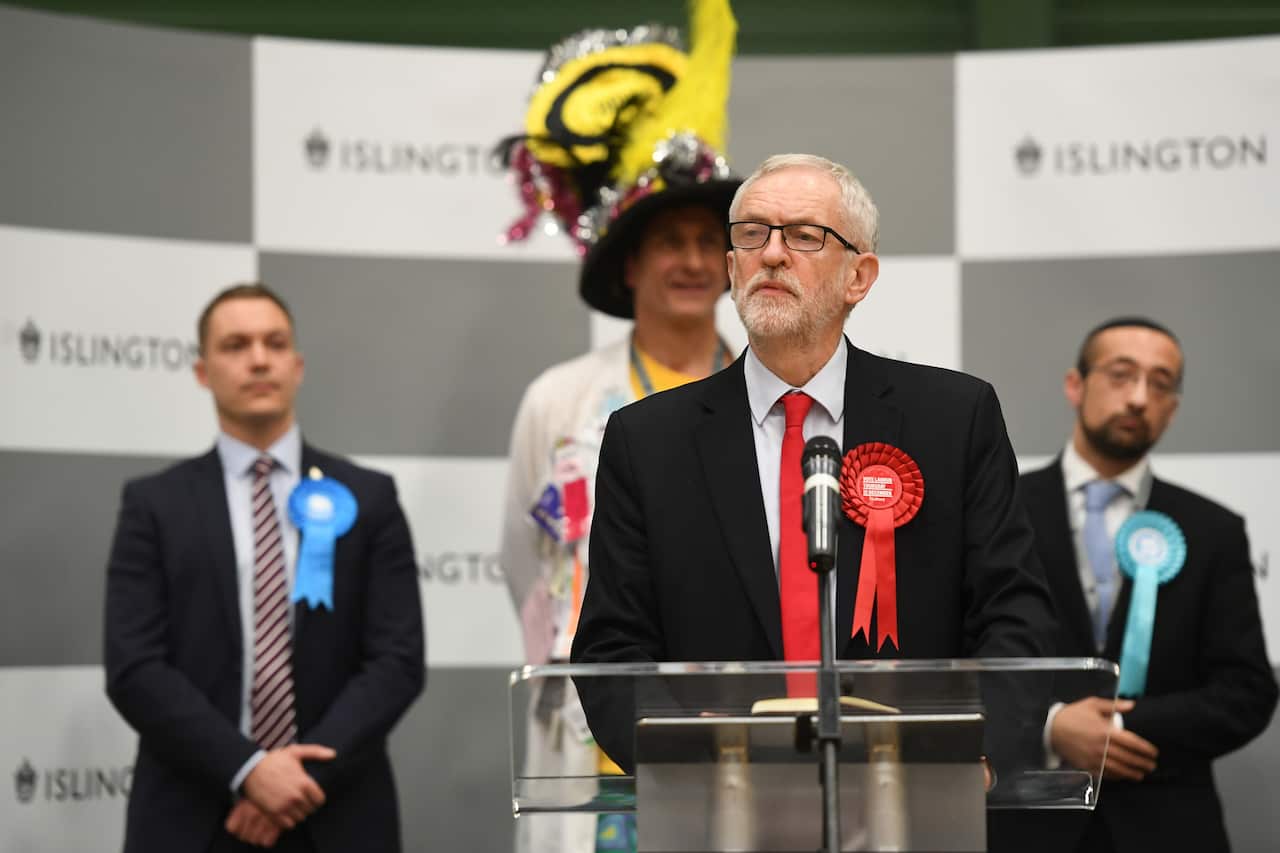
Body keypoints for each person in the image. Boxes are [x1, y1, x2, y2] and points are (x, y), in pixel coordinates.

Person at [571, 153, 1057, 773]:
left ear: (859, 276)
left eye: (804, 236)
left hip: (912, 793)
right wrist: (682, 755)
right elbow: (614, 648)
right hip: (720, 801)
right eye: (751, 234)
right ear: (732, 266)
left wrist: (977, 751)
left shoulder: (954, 419)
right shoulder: (647, 439)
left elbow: (1014, 613)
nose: (771, 254)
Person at [497, 3, 741, 852]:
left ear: (735, 265)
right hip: (592, 723)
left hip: (740, 718)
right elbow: (524, 564)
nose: (690, 260)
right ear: (629, 262)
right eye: (667, 240)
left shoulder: (772, 396)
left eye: (709, 240)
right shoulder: (558, 401)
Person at [104, 283, 425, 853]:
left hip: (338, 811)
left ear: (296, 366)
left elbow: (396, 662)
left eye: (274, 343)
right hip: (194, 813)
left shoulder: (369, 497)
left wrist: (296, 781)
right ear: (202, 372)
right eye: (235, 345)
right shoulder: (154, 505)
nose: (258, 359)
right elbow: (135, 667)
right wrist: (249, 770)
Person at [1023, 317, 1277, 852]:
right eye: (1121, 375)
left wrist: (1122, 728)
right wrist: (1049, 726)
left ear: (1173, 407)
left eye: (1160, 384)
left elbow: (1247, 691)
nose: (1139, 397)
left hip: (1169, 825)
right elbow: (963, 657)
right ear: (1076, 385)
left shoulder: (1213, 531)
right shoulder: (1002, 512)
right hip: (1026, 820)